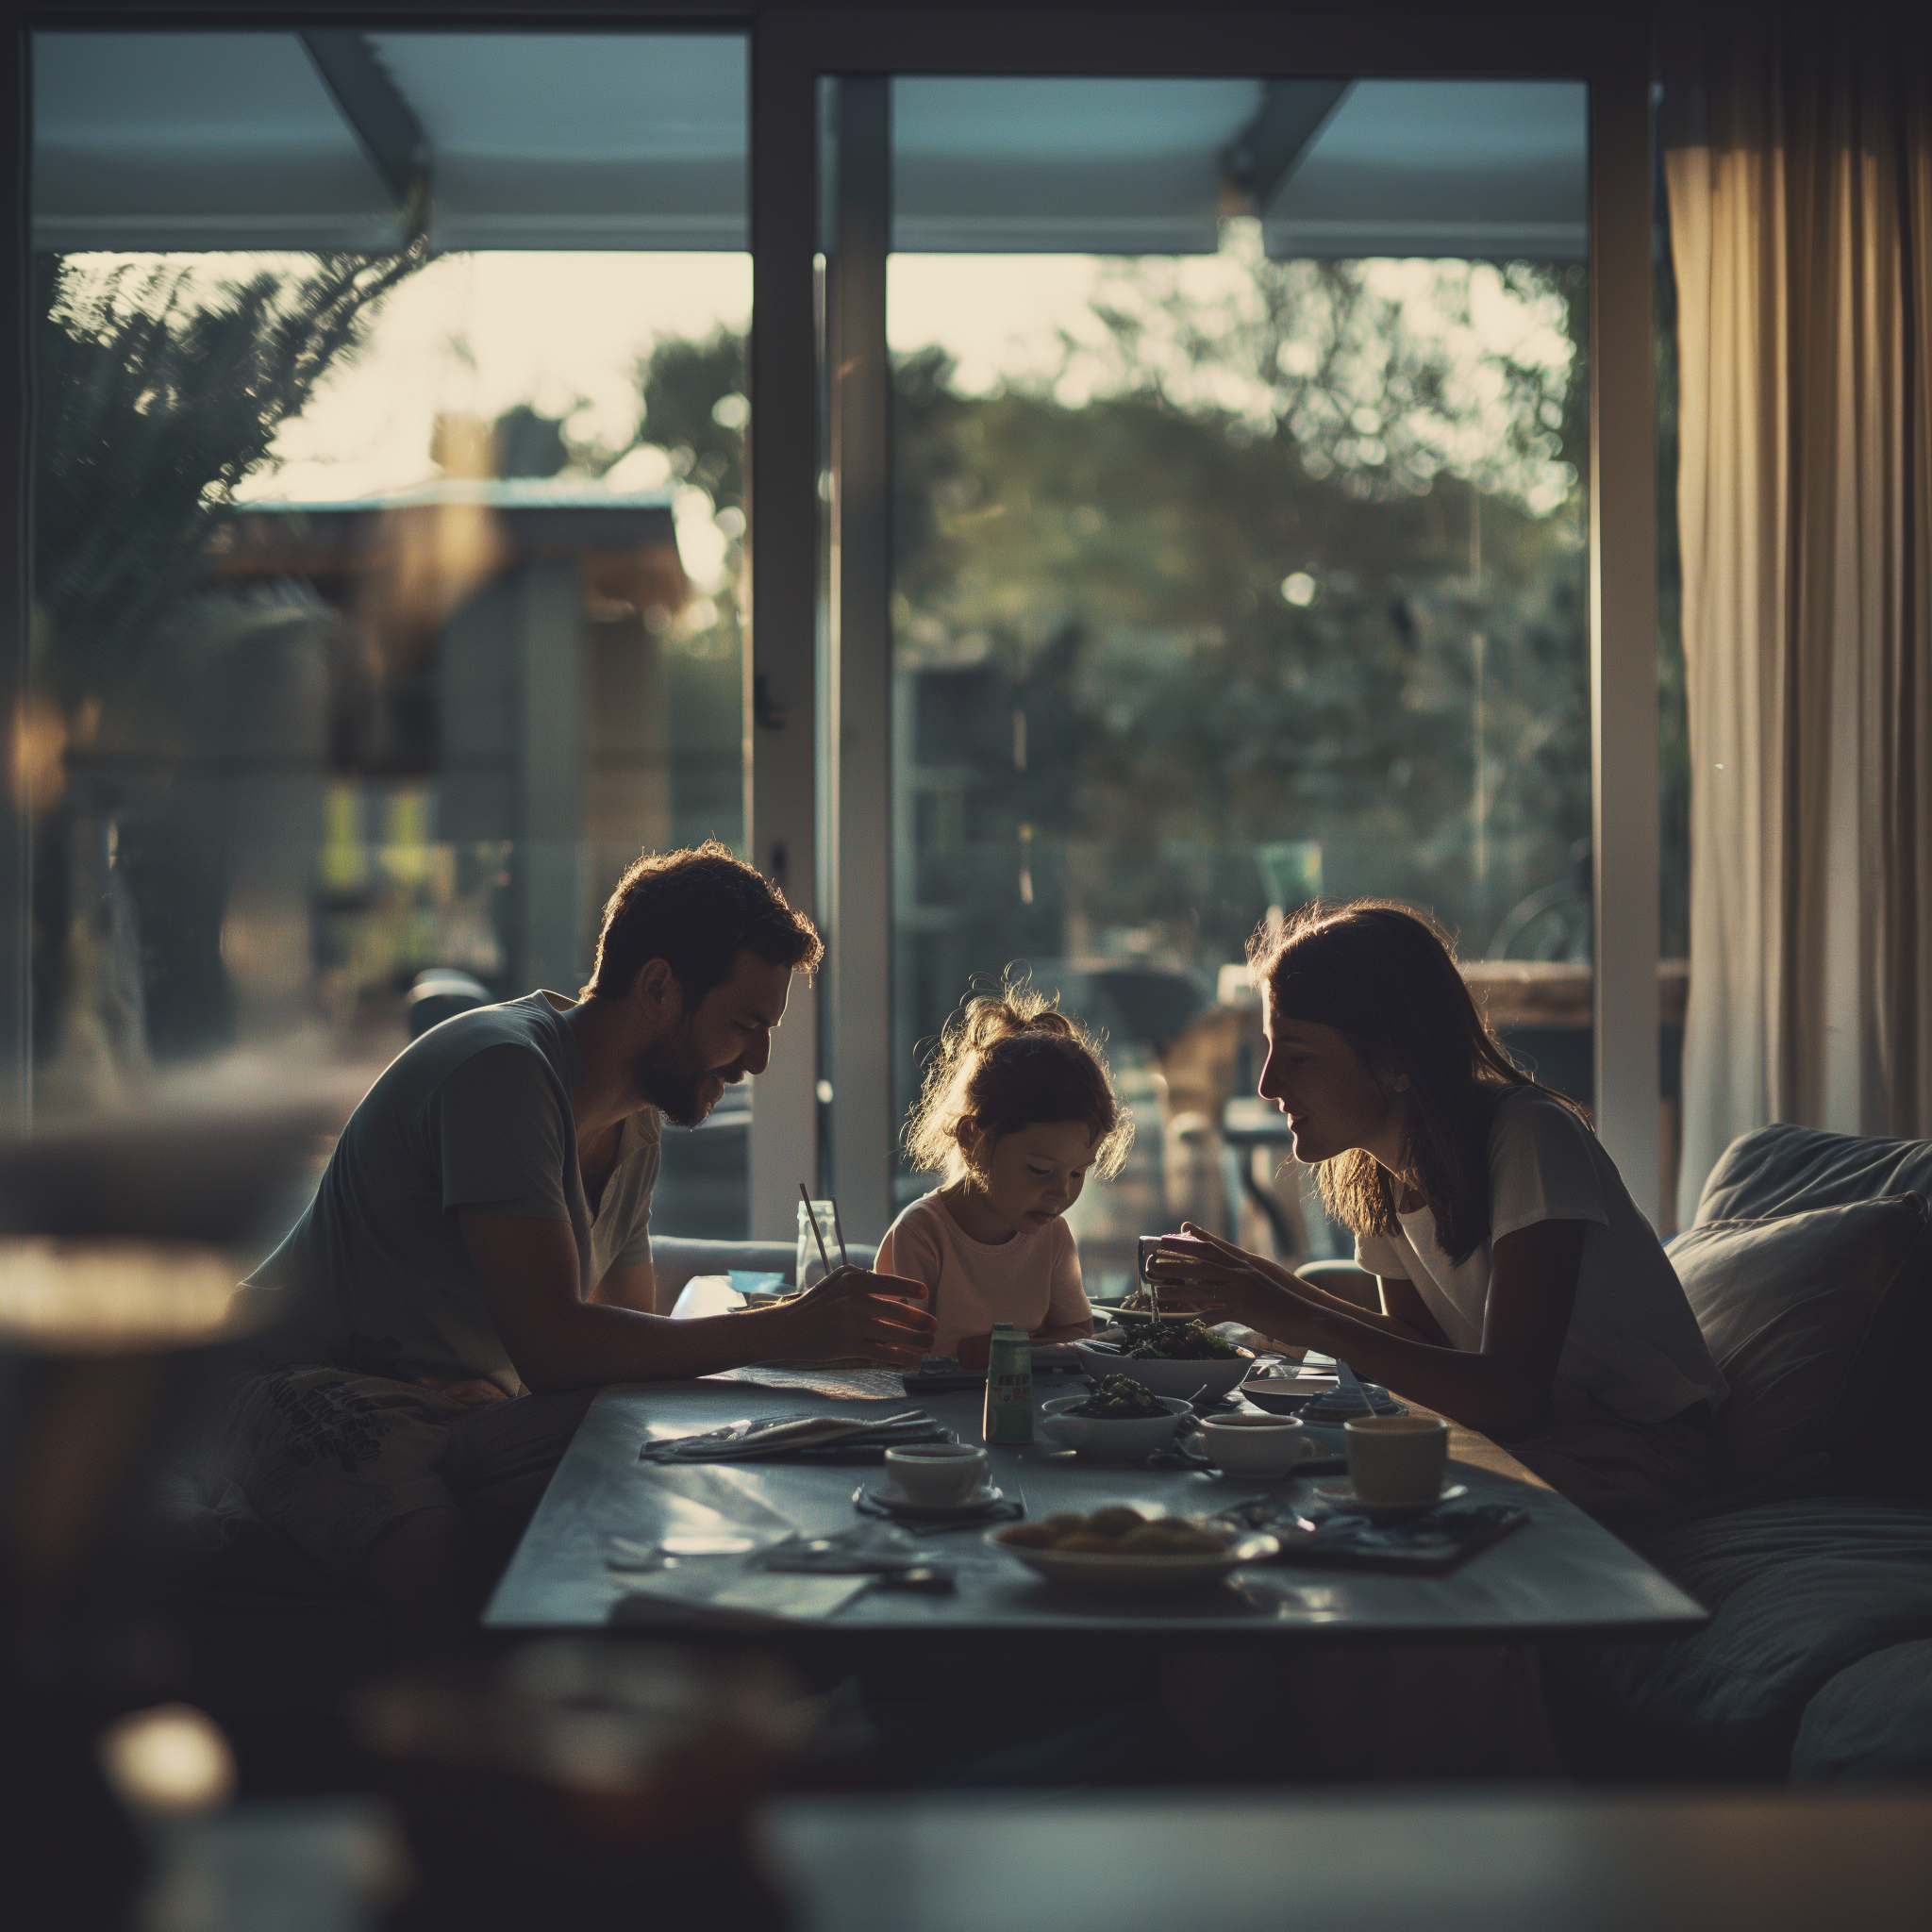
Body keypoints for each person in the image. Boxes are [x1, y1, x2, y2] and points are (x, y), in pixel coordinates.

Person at [222, 842, 934, 1634]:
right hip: (301, 1381)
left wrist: (803, 1352)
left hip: (461, 1407)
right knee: (441, 1585)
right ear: (659, 986)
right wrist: (787, 1329)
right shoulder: (502, 1071)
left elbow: (622, 1353)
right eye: (746, 1025)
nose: (759, 1061)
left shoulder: (636, 1126)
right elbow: (556, 1346)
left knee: (701, 1446)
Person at [1152, 900, 1726, 1526]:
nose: (1266, 1085)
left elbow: (1510, 1398)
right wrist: (1264, 1286)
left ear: (1396, 1062)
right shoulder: (1381, 1170)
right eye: (1268, 1049)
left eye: (1299, 1056)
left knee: (1353, 1501)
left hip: (1639, 1450)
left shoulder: (1529, 1136)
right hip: (1547, 1436)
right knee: (1278, 1473)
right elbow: (1422, 1351)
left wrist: (1295, 1313)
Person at [876, 985, 1132, 1369]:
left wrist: (1009, 1352)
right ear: (971, 1140)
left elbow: (1079, 1331)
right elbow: (895, 1354)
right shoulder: (922, 1235)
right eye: (1040, 1170)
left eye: (1079, 1173)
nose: (1061, 1192)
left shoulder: (1052, 1236)